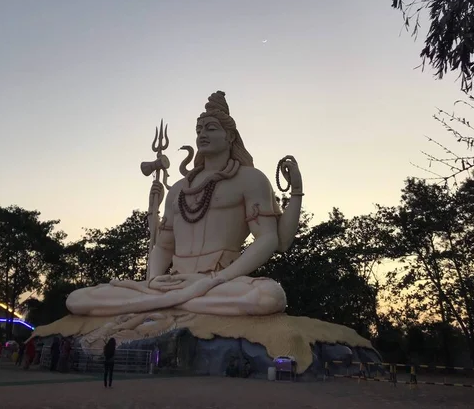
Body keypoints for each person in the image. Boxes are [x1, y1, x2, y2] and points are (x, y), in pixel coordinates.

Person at [66, 91, 303, 317]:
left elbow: (270, 239)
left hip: (219, 282)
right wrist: (154, 280)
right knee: (76, 299)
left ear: (230, 136)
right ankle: (173, 301)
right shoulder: (179, 189)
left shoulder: (250, 179)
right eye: (199, 130)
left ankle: (159, 305)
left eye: (211, 129)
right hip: (173, 282)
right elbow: (163, 246)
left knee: (270, 296)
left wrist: (214, 280)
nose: (202, 135)